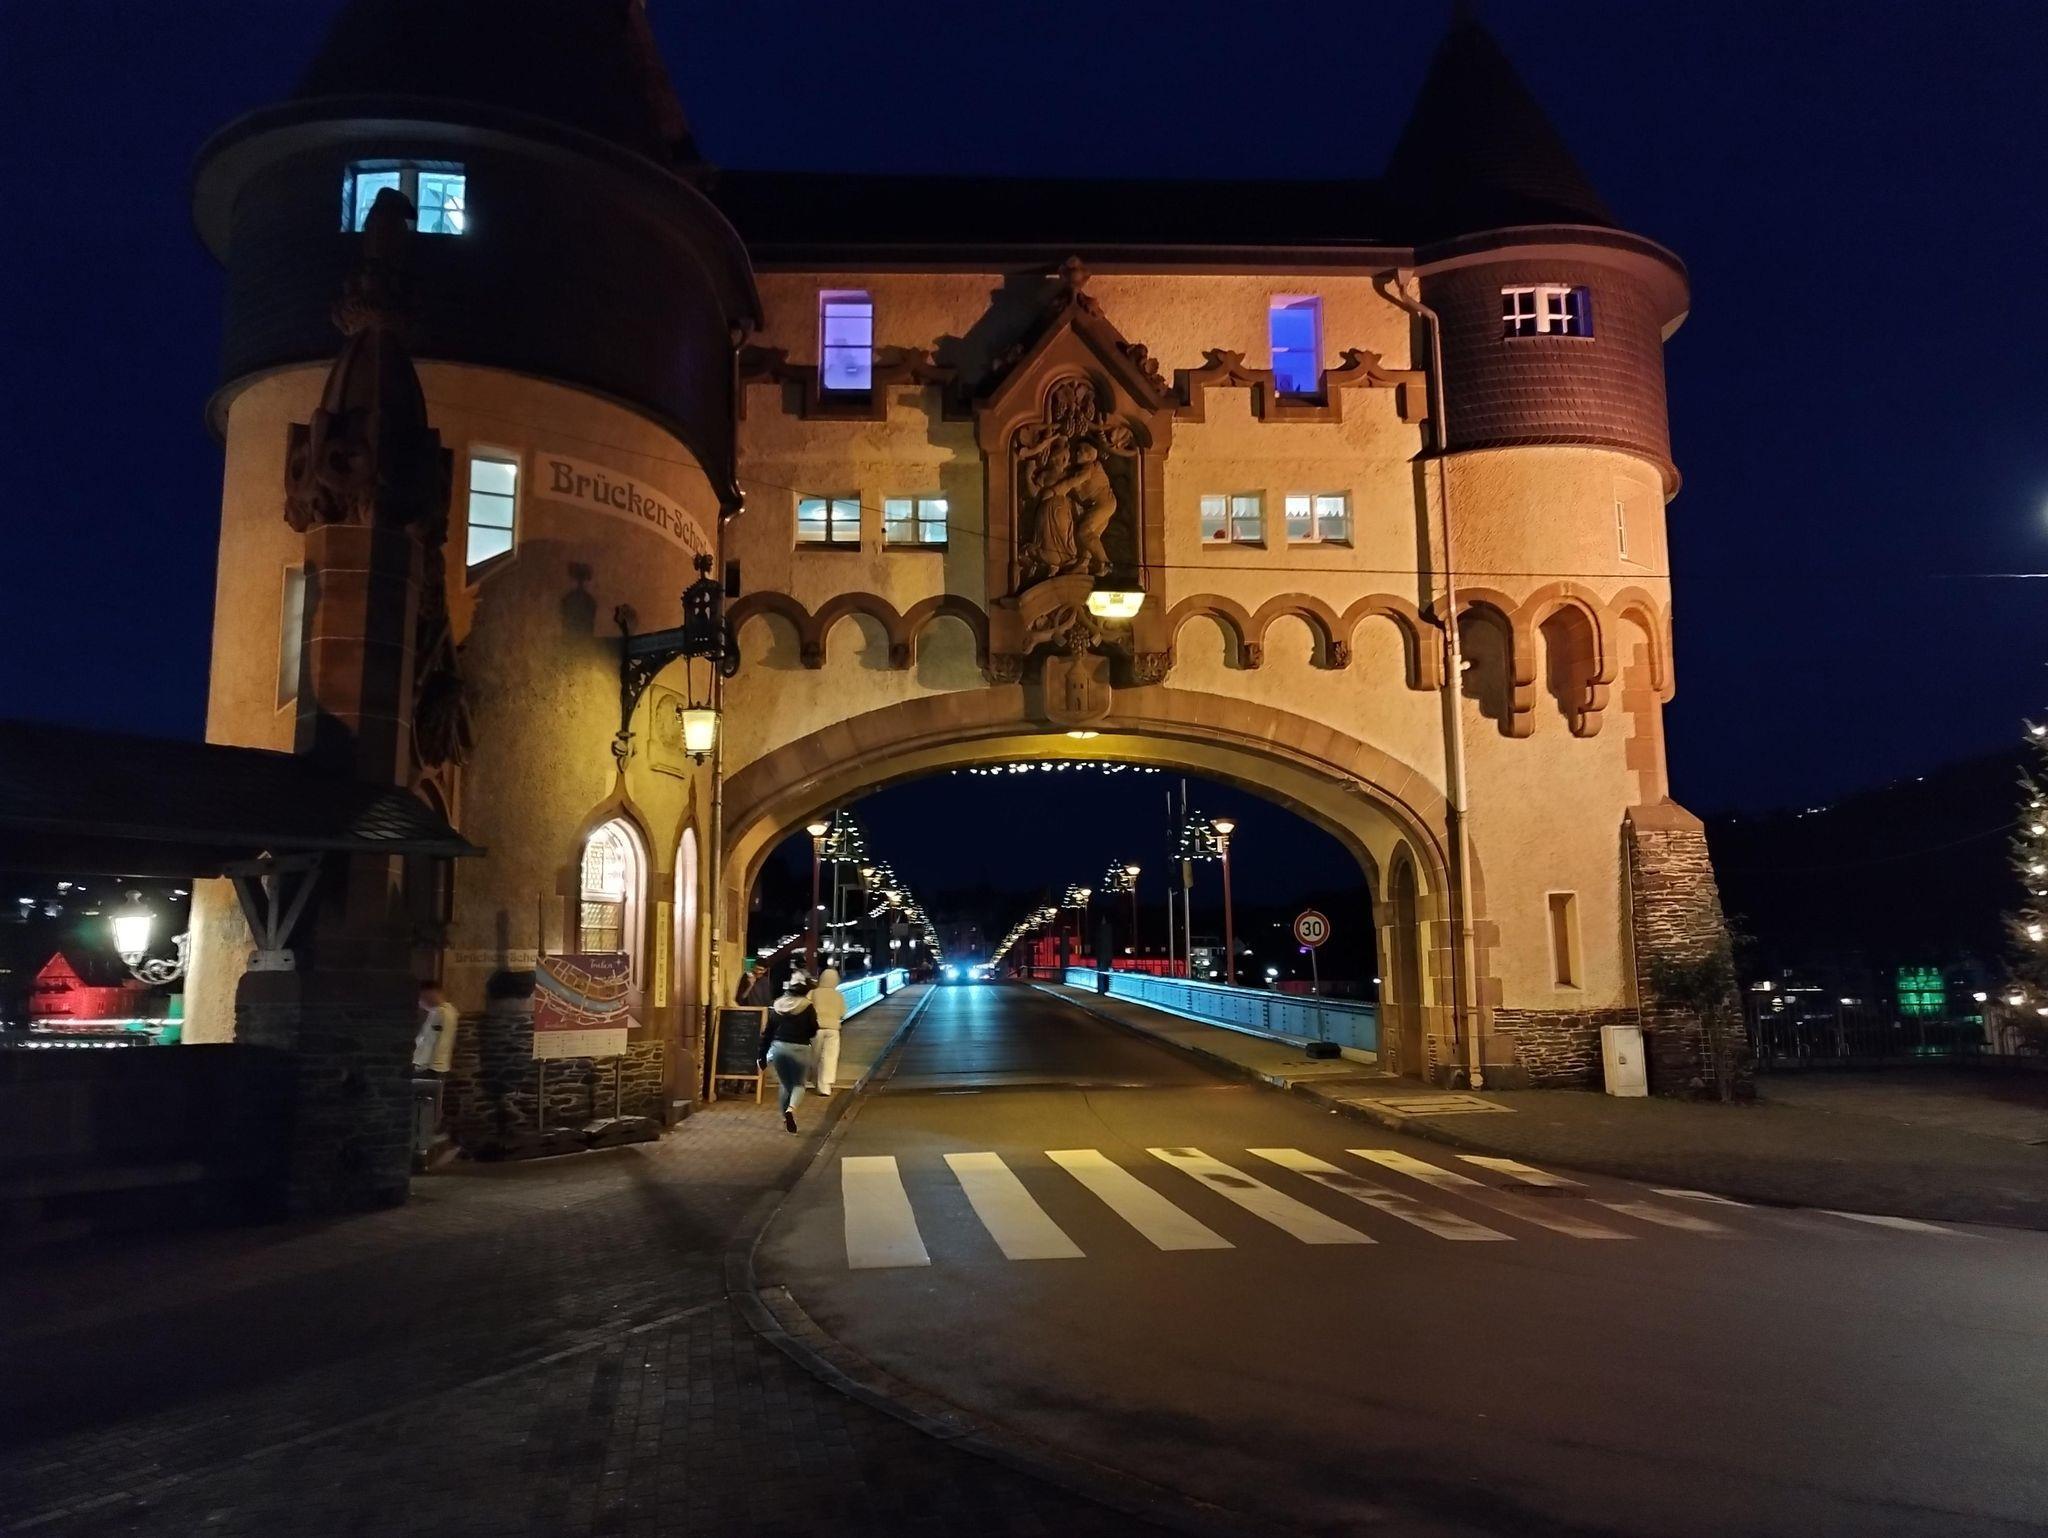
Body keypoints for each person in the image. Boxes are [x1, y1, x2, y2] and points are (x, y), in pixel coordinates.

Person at [758, 972, 819, 1133]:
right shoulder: (807, 1006)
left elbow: (768, 1032)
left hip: (778, 1048)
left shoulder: (777, 1005)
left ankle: (785, 1119)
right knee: (798, 1084)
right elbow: (813, 1030)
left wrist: (761, 1055)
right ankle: (791, 1110)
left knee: (785, 1084)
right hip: (800, 1048)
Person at [411, 980, 459, 1168]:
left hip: (430, 1069)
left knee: (424, 1112)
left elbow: (434, 1044)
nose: (420, 1002)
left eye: (422, 997)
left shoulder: (441, 1013)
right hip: (432, 1067)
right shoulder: (444, 1013)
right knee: (428, 1112)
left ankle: (429, 1152)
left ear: (432, 993)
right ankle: (434, 1148)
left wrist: (421, 1065)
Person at [811, 965, 846, 1096]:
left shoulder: (814, 993)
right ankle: (826, 1087)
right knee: (829, 1058)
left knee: (815, 1057)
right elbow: (843, 1013)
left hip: (816, 1029)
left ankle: (815, 1081)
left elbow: (805, 1007)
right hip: (833, 1030)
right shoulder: (838, 995)